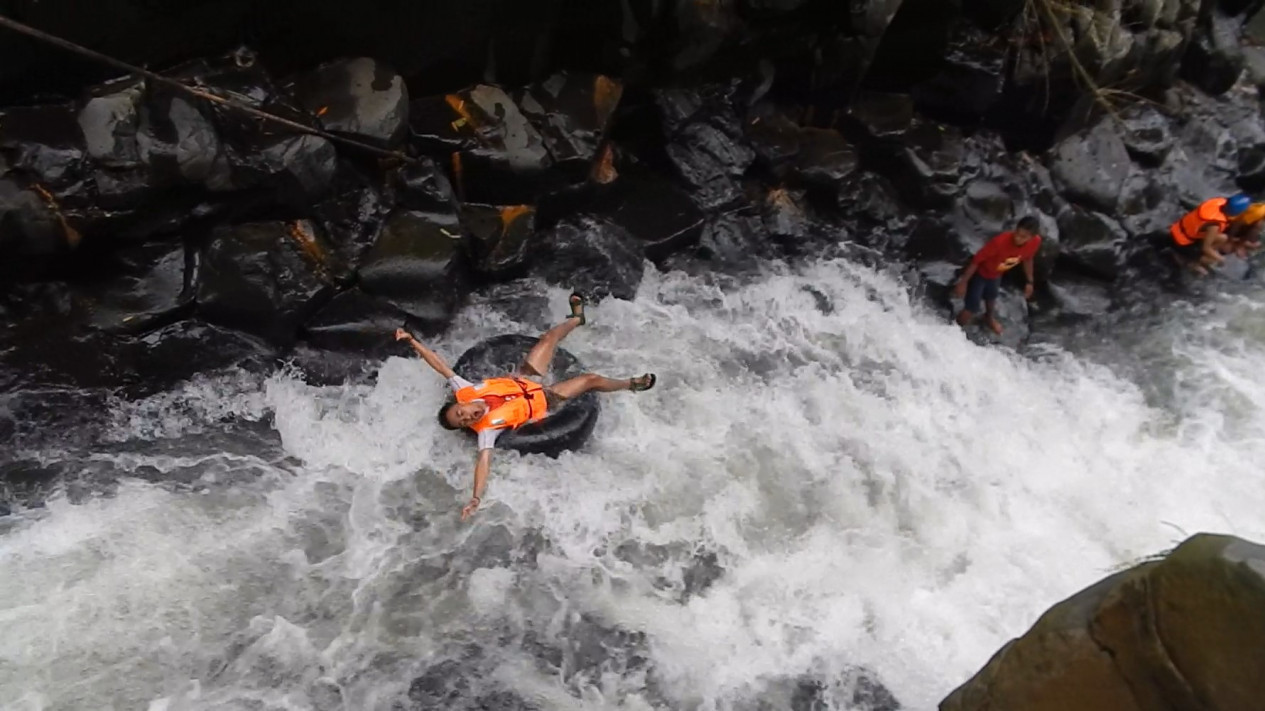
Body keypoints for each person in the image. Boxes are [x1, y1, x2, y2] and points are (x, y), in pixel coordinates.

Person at [394, 292, 656, 521]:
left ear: (460, 403)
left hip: (526, 379)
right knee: (591, 380)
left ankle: (577, 318)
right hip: (549, 399)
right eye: (464, 422)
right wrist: (476, 497)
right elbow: (483, 462)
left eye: (460, 413)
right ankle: (632, 384)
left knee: (549, 338)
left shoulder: (463, 388)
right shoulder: (487, 431)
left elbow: (437, 363)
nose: (467, 417)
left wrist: (410, 340)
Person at [952, 216, 1043, 335]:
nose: (1018, 238)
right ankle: (953, 330)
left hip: (996, 274)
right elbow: (976, 261)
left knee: (992, 296)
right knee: (971, 307)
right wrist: (963, 282)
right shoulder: (1000, 242)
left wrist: (1029, 282)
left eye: (1023, 237)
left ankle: (988, 318)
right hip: (980, 273)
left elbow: (1028, 259)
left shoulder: (1035, 242)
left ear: (1031, 237)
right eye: (1017, 233)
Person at [1168, 192, 1250, 275]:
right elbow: (1206, 248)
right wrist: (1221, 259)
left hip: (1178, 229)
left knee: (1223, 238)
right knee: (1211, 262)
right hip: (1181, 243)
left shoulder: (1217, 202)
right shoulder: (1214, 225)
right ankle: (1189, 262)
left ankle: (1198, 256)